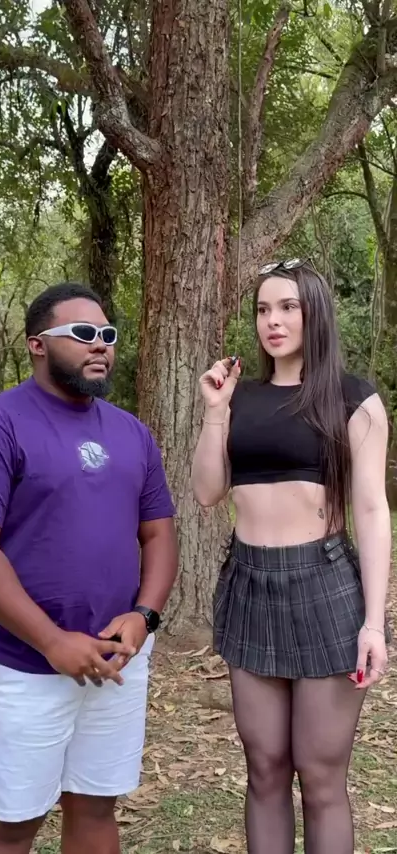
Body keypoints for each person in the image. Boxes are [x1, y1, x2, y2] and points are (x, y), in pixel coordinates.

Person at [0, 281, 178, 854]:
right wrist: (51, 641)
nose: (101, 345)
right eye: (84, 333)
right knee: (13, 825)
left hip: (115, 662)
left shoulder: (131, 433)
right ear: (37, 344)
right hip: (22, 665)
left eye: (108, 335)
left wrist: (144, 616)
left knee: (96, 808)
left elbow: (159, 534)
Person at [191, 258, 391, 854]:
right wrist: (215, 411)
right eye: (262, 309)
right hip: (249, 583)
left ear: (315, 314)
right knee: (265, 770)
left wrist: (373, 623)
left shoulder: (354, 399)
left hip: (324, 587)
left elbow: (372, 511)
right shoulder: (240, 397)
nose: (272, 321)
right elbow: (207, 492)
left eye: (287, 307)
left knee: (322, 777)